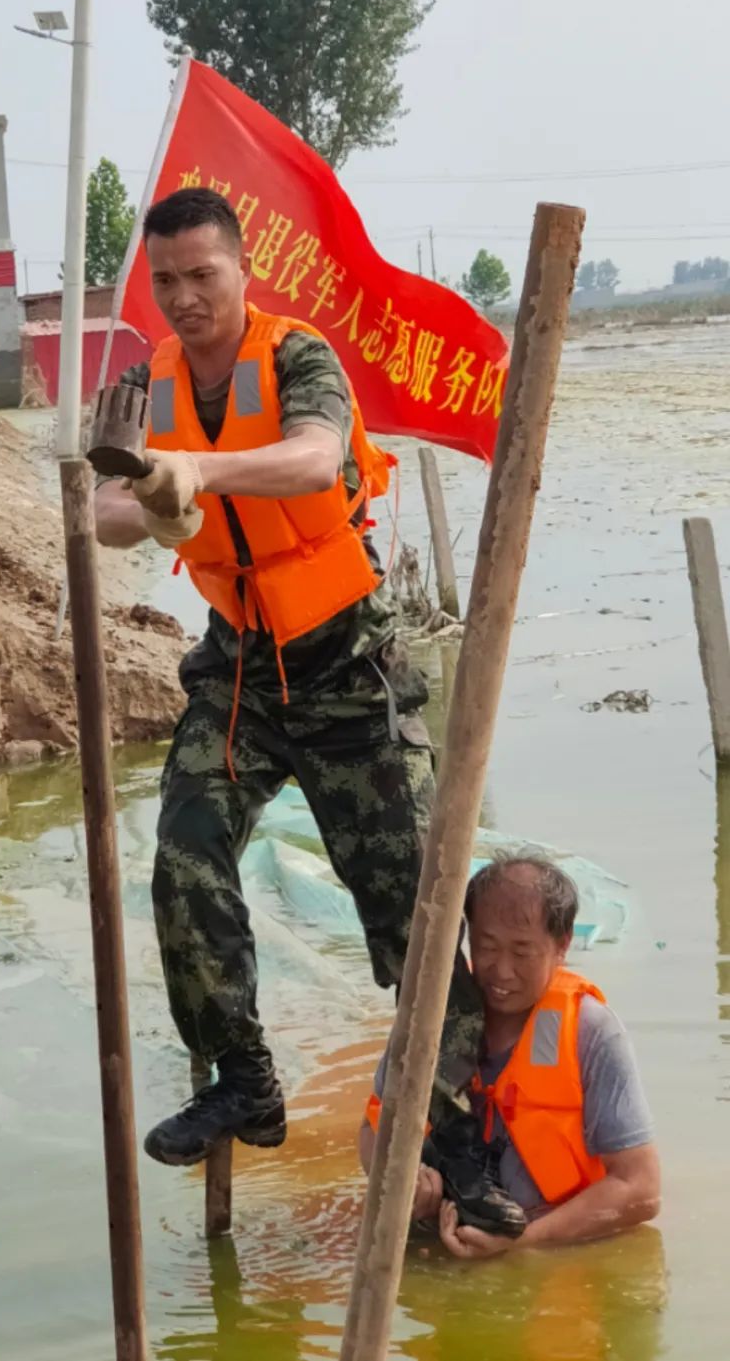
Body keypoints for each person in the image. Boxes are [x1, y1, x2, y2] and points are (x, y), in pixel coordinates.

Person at [94, 186, 519, 1234]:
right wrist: (150, 496)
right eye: (168, 281)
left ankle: (463, 1146)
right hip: (239, 670)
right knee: (182, 862)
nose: (186, 298)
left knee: (415, 921)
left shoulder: (296, 355)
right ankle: (245, 1077)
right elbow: (104, 511)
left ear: (241, 271)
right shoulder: (145, 380)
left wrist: (198, 468)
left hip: (345, 669)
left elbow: (316, 457)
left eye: (204, 275)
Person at [360, 853, 660, 1256]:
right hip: (434, 1237)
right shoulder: (432, 1014)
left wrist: (524, 1243)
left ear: (563, 945)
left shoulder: (592, 1033)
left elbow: (640, 1190)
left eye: (522, 953)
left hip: (548, 1247)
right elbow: (373, 1130)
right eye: (487, 947)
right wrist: (407, 1183)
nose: (501, 971)